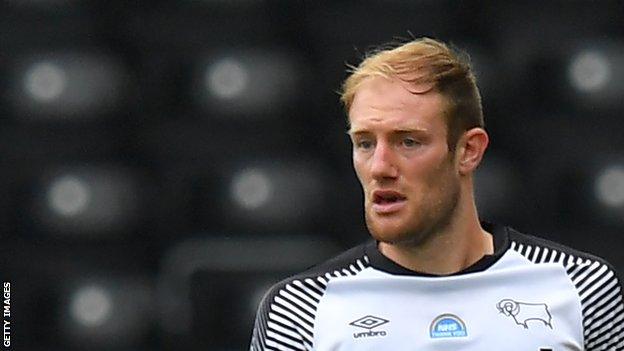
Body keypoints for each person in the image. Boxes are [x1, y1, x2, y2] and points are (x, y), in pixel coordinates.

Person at [249, 37, 624, 350]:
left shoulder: (581, 286)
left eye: (408, 141)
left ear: (468, 151)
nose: (380, 166)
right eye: (364, 143)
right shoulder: (301, 309)